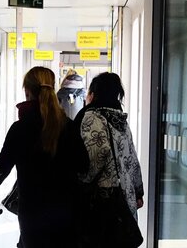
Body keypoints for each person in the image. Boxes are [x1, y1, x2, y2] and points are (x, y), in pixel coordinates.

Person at [0, 66, 88, 248]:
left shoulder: (20, 128)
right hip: (66, 212)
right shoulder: (67, 126)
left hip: (32, 214)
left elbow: (1, 169)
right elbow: (84, 165)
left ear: (27, 91)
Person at [74, 72, 144, 247]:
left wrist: (82, 181)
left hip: (102, 199)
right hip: (125, 196)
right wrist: (138, 191)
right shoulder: (120, 119)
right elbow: (132, 158)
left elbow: (97, 153)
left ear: (94, 93)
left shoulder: (93, 117)